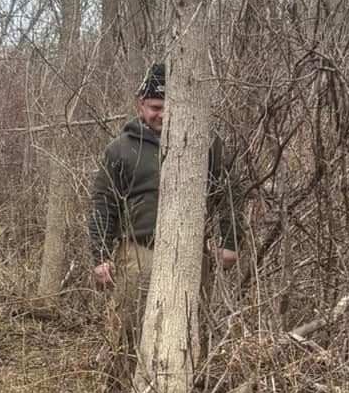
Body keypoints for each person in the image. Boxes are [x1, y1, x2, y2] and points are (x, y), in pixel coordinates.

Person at [87, 62, 241, 365]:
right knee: (128, 331)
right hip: (140, 252)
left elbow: (230, 193)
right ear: (141, 104)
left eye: (169, 107)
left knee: (189, 330)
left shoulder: (205, 143)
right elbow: (103, 204)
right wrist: (101, 256)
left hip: (191, 253)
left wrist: (231, 242)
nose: (161, 115)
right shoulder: (120, 149)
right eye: (155, 107)